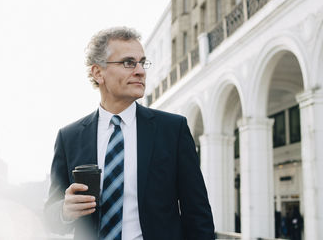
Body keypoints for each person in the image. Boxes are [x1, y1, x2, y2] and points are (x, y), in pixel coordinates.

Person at [44, 27, 215, 240]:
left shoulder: (173, 130)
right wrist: (64, 211)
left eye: (142, 63)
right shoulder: (69, 137)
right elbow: (50, 217)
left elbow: (198, 214)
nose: (140, 71)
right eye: (128, 63)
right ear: (98, 73)